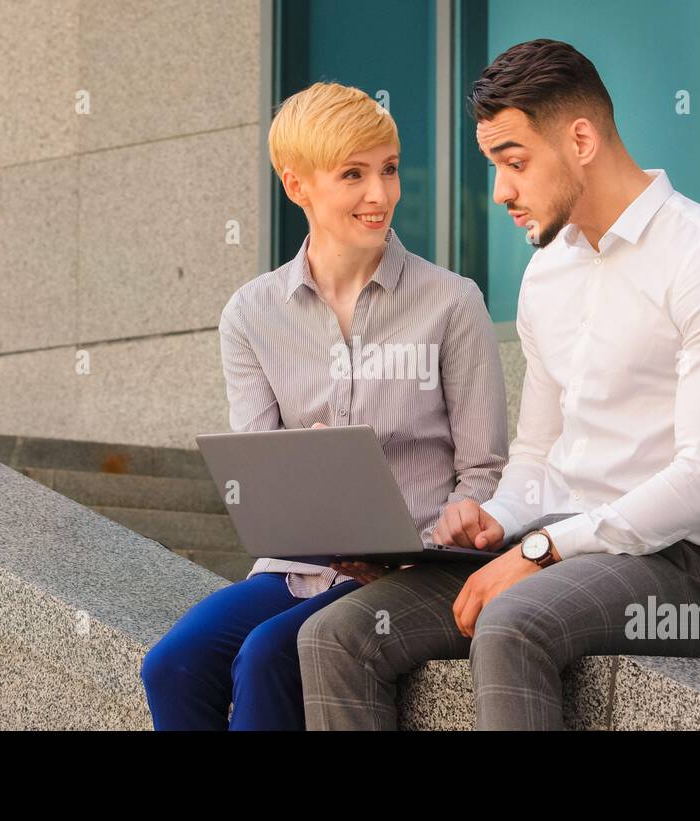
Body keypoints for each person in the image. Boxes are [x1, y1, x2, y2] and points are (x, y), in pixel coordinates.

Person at [297, 39, 700, 730]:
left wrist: (540, 549)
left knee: (512, 623)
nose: (500, 192)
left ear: (580, 138)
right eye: (494, 166)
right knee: (335, 635)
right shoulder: (547, 275)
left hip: (679, 572)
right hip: (551, 547)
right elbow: (539, 453)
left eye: (514, 163)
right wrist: (499, 517)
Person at [139, 81, 508, 730]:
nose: (380, 195)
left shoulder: (452, 304)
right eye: (353, 175)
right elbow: (251, 475)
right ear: (297, 185)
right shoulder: (252, 313)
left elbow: (485, 472)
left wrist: (441, 531)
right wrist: (302, 476)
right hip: (296, 565)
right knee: (172, 662)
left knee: (265, 657)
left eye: (389, 170)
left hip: (410, 569)